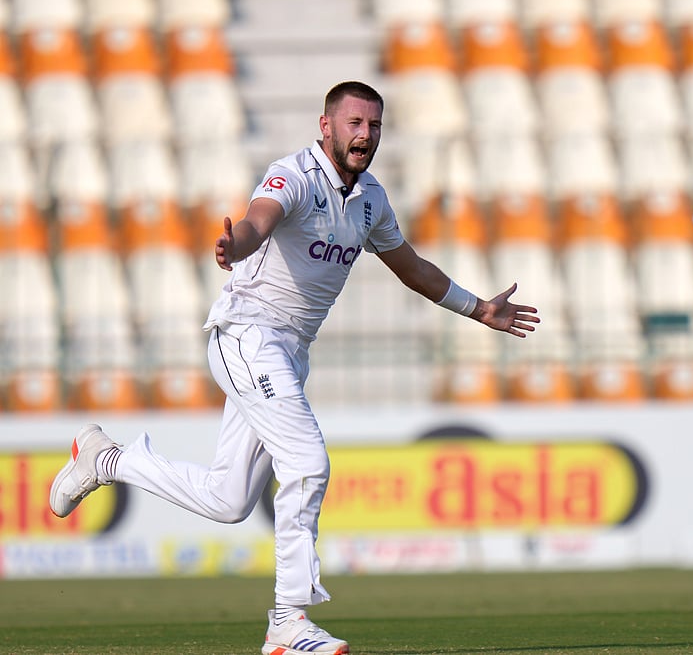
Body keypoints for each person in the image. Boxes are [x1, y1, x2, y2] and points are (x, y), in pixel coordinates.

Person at [49, 80, 539, 655]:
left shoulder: (371, 198)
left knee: (229, 501)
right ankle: (287, 622)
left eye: (375, 126)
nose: (366, 136)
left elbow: (411, 267)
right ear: (326, 126)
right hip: (248, 335)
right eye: (355, 124)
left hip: (287, 352)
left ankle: (107, 459)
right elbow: (260, 217)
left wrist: (479, 308)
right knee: (307, 461)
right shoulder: (296, 175)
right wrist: (241, 246)